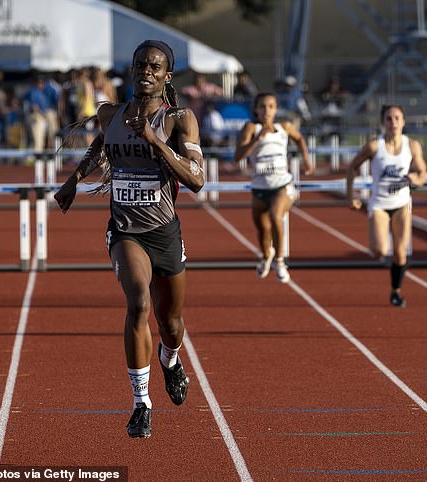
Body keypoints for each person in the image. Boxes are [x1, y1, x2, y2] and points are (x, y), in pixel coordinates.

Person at [53, 40, 205, 439]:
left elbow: (197, 180)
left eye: (155, 66)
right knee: (138, 302)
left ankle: (170, 361)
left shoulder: (178, 120)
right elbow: (102, 145)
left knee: (170, 323)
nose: (146, 71)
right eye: (140, 65)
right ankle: (141, 403)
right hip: (125, 231)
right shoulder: (111, 113)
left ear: (166, 76)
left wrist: (156, 144)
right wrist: (72, 181)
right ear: (132, 70)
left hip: (164, 232)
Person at [346, 104, 427, 307]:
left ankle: (396, 291)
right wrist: (350, 196)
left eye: (397, 118)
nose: (393, 123)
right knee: (380, 251)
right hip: (380, 203)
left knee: (400, 252)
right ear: (383, 123)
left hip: (401, 203)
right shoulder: (375, 146)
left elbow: (422, 172)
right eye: (389, 119)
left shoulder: (412, 145)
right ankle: (376, 239)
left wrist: (416, 179)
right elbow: (352, 167)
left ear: (403, 121)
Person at [234, 92, 313, 283]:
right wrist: (257, 139)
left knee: (276, 216)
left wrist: (307, 161)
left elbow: (300, 140)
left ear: (276, 109)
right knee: (263, 231)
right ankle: (265, 256)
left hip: (282, 185)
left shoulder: (284, 127)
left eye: (270, 106)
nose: (266, 110)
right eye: (262, 106)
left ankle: (280, 261)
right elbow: (238, 156)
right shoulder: (251, 128)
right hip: (260, 189)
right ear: (256, 110)